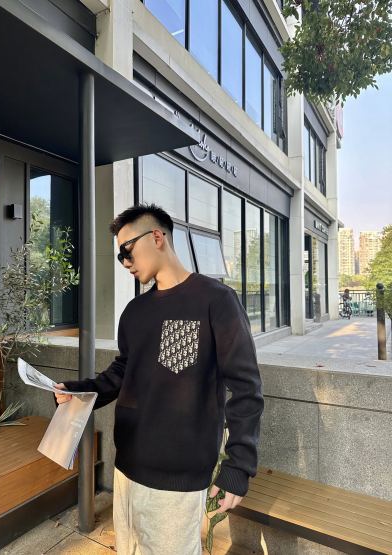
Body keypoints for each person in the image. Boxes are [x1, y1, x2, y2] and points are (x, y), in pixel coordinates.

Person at [54, 203, 264, 555]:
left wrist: (239, 466)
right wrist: (80, 391)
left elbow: (247, 388)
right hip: (127, 468)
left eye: (127, 250)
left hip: (178, 477)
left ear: (156, 237)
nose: (124, 262)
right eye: (119, 256)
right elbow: (122, 371)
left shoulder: (216, 300)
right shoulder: (135, 312)